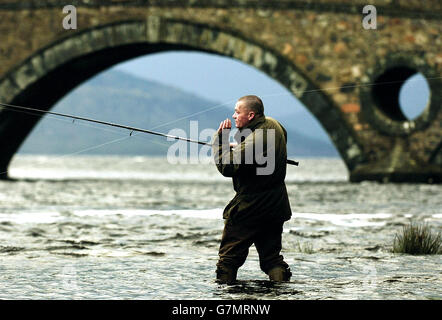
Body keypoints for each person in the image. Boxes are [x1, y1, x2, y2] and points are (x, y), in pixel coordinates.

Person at [212, 95, 292, 284]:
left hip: (250, 207)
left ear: (250, 115)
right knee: (272, 259)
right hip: (275, 205)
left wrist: (220, 142)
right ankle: (281, 294)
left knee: (228, 260)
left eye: (237, 112)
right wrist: (241, 147)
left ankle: (226, 298)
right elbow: (269, 143)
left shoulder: (256, 140)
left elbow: (227, 167)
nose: (233, 116)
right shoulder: (274, 125)